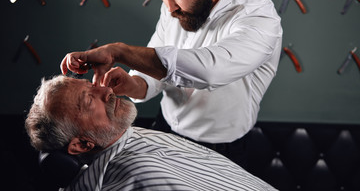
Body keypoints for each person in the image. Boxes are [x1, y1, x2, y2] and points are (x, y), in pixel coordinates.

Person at [60, 0, 283, 168]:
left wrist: (120, 52)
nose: (169, 8)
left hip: (222, 150)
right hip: (165, 129)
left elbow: (210, 70)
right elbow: (159, 59)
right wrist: (136, 84)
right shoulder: (175, 6)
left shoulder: (258, 16)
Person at [25, 74, 278, 191]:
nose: (106, 91)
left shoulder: (126, 136)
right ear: (81, 145)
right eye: (90, 101)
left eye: (93, 84)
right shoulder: (136, 176)